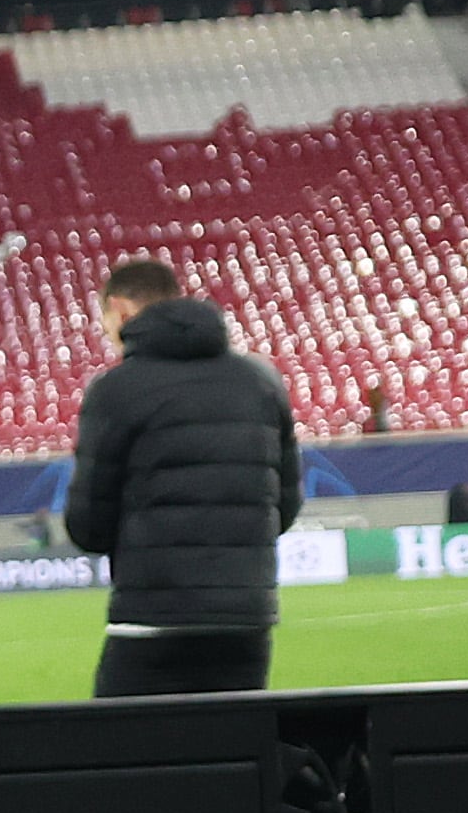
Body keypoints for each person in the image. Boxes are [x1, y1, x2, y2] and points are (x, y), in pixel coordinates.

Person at [66, 258, 300, 699]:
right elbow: (283, 508)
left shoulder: (116, 390)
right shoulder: (262, 381)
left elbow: (89, 526)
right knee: (234, 751)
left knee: (130, 756)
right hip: (245, 619)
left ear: (121, 310)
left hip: (151, 617)